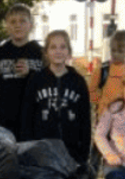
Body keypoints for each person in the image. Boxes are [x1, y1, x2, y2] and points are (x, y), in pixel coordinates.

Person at [20, 30, 91, 165]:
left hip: (72, 152)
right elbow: (27, 117)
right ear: (46, 52)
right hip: (41, 151)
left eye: (63, 47)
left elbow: (85, 120)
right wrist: (28, 149)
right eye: (53, 47)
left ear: (69, 51)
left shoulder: (78, 81)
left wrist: (83, 155)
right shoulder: (36, 80)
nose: (58, 51)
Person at [0, 3, 43, 136]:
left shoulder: (41, 54)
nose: (17, 25)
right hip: (3, 124)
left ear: (31, 25)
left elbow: (48, 85)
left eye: (22, 21)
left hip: (35, 124)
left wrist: (31, 73)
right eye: (13, 22)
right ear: (6, 26)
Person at [88, 30, 125, 119]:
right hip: (105, 118)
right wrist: (102, 102)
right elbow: (91, 91)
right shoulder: (102, 70)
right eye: (113, 50)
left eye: (120, 51)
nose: (115, 54)